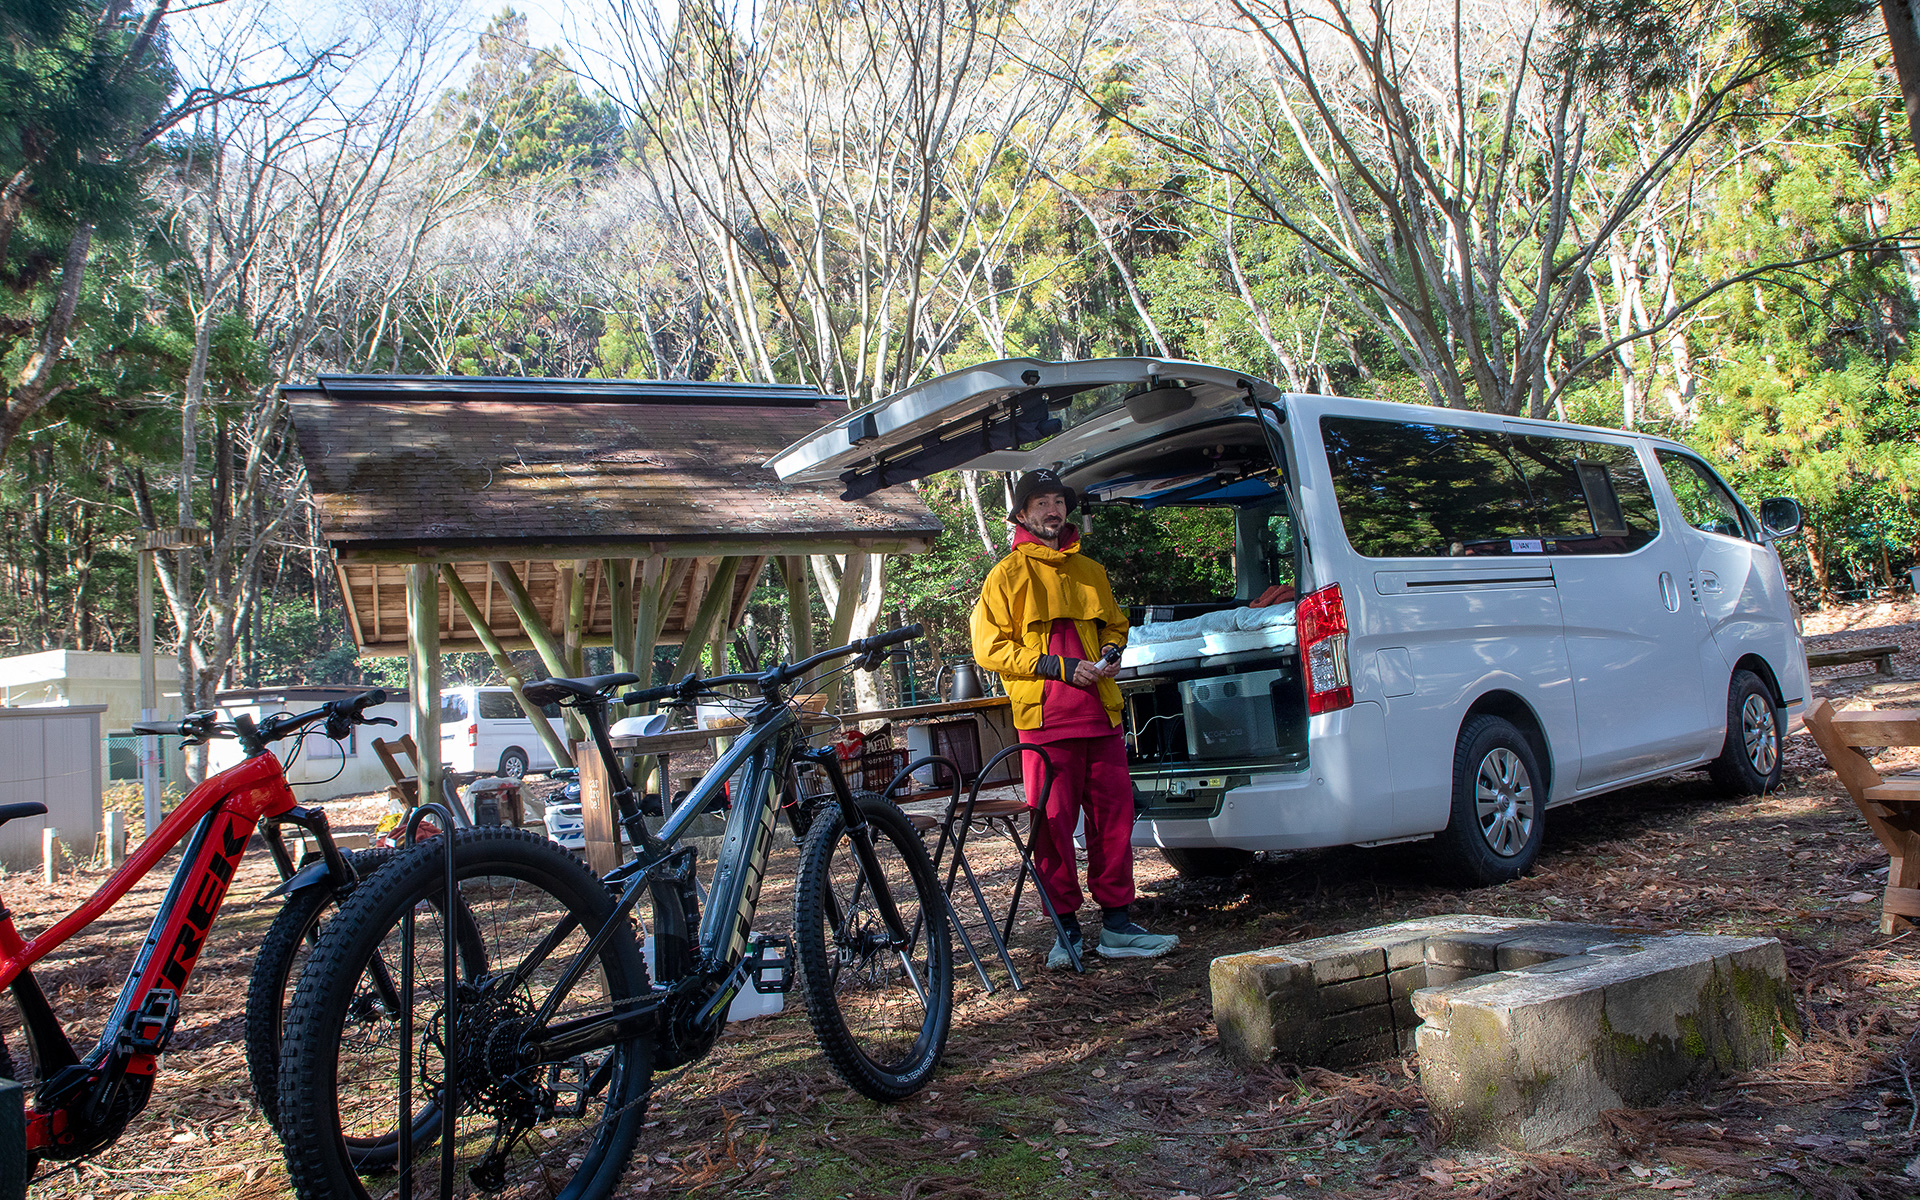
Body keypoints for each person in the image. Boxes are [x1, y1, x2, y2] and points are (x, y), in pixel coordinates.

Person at [970, 469, 1180, 969]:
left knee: (1114, 820)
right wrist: (1057, 666)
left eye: (1058, 501)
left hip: (1101, 714)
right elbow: (988, 647)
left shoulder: (1092, 571)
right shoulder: (1005, 576)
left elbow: (1115, 623)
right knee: (1052, 826)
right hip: (1044, 722)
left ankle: (1118, 925)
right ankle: (1065, 930)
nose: (1052, 509)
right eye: (1040, 502)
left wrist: (1111, 648)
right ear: (1021, 514)